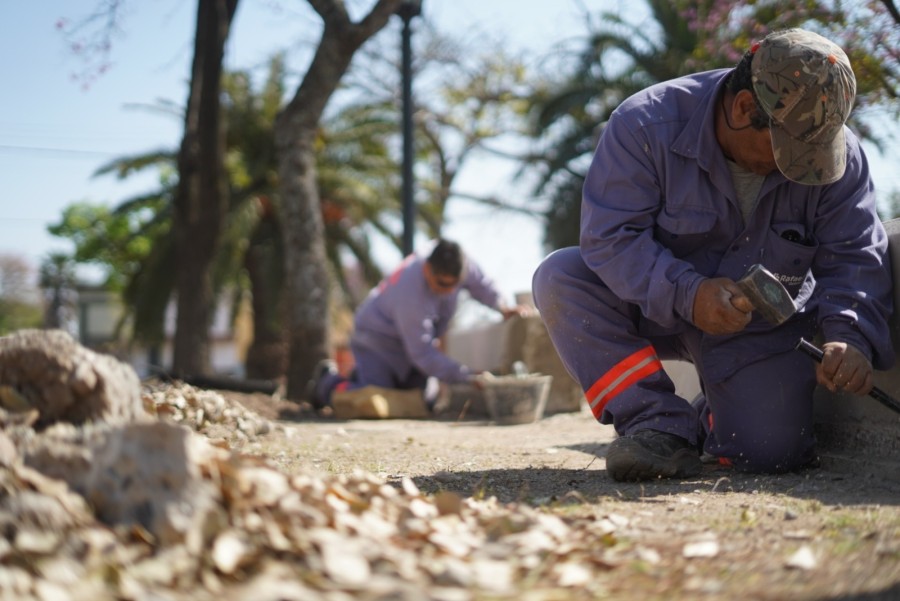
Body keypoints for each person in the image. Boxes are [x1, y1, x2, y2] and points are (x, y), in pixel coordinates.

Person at [531, 28, 894, 482]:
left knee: (769, 453)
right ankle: (654, 424)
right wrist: (689, 293)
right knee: (561, 277)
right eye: (788, 150)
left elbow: (856, 253)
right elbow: (610, 238)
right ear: (743, 108)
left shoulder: (839, 160)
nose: (799, 166)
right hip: (652, 308)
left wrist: (849, 335)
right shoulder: (644, 126)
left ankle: (713, 418)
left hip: (757, 330)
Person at [311, 238, 529, 409]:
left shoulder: (458, 263)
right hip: (377, 340)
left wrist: (503, 307)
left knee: (425, 401)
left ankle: (362, 376)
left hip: (410, 345)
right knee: (375, 399)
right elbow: (422, 354)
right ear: (427, 269)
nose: (449, 291)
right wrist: (466, 375)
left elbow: (482, 285)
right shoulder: (411, 292)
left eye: (456, 285)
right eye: (442, 284)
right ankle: (327, 384)